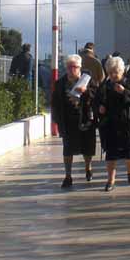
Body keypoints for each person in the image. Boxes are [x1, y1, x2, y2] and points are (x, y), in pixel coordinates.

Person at [95, 56, 130, 192]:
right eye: (110, 72)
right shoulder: (104, 86)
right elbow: (97, 101)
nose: (113, 75)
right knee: (111, 154)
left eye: (116, 71)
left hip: (127, 124)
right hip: (111, 125)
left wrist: (124, 92)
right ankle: (111, 180)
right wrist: (100, 108)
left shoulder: (129, 83)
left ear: (122, 71)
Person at [51, 54, 98, 188]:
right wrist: (56, 120)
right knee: (68, 150)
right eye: (69, 67)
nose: (72, 70)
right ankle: (68, 176)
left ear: (80, 68)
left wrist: (86, 91)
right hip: (68, 121)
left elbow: (97, 97)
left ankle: (88, 167)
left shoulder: (87, 81)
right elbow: (55, 102)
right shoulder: (60, 83)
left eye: (75, 67)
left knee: (87, 148)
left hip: (85, 119)